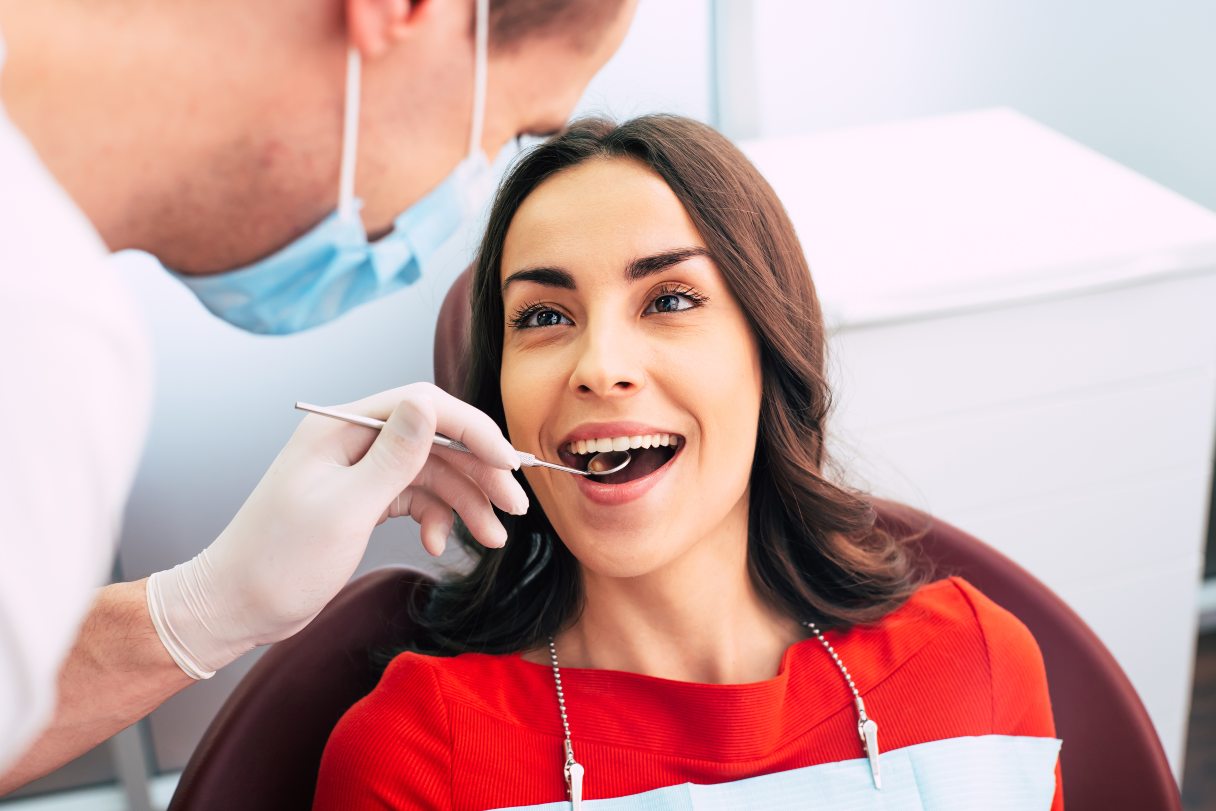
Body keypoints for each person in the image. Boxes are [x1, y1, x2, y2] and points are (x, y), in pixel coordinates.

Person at [312, 115, 1065, 810]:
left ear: (769, 350)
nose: (599, 367)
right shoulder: (413, 755)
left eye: (669, 299)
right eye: (544, 316)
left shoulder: (977, 663)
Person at [0, 0, 636, 791]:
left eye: (670, 302)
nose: (602, 369)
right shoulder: (33, 324)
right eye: (505, 134)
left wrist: (207, 605)